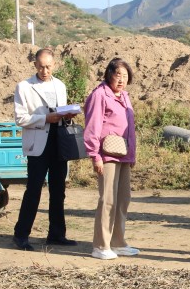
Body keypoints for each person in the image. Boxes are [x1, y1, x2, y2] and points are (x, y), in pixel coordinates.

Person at [12, 48, 77, 251]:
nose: (44, 70)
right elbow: (20, 118)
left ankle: (56, 234)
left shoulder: (60, 85)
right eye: (41, 67)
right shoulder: (24, 87)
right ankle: (21, 235)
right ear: (35, 65)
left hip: (59, 142)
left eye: (48, 66)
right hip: (38, 144)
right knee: (34, 190)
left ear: (54, 65)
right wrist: (44, 119)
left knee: (59, 191)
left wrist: (67, 115)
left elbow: (61, 110)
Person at [83, 58, 139, 260]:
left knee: (123, 199)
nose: (122, 80)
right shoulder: (99, 95)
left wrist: (132, 153)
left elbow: (129, 128)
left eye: (125, 76)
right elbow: (92, 126)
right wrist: (95, 156)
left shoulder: (124, 96)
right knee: (108, 200)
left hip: (123, 154)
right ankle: (100, 245)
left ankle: (118, 241)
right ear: (109, 75)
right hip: (106, 155)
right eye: (118, 75)